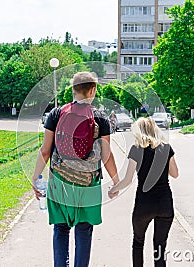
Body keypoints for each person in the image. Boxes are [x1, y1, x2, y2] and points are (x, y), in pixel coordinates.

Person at [31, 71, 120, 267]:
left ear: (73, 89)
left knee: (60, 229)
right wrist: (116, 181)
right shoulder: (100, 117)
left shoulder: (56, 114)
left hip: (59, 181)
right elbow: (107, 155)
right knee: (84, 230)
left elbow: (45, 151)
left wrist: (35, 177)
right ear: (93, 90)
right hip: (88, 184)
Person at [109, 117, 179, 267]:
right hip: (165, 203)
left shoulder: (136, 149)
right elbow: (175, 174)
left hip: (144, 204)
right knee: (160, 246)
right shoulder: (166, 148)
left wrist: (113, 189)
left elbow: (128, 180)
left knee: (138, 242)